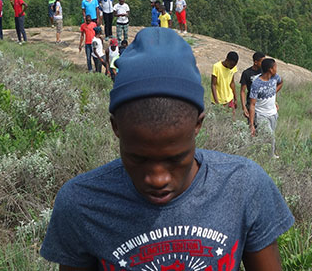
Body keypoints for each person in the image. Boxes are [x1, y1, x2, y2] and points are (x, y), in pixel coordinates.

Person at [39, 28, 293, 270]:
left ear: (198, 125)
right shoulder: (82, 203)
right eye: (138, 158)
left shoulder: (244, 186)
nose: (157, 179)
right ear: (116, 128)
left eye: (175, 159)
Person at [248, 58, 283, 158]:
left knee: (267, 137)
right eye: (275, 67)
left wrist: (273, 94)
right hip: (261, 115)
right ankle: (270, 158)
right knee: (270, 137)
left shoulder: (275, 77)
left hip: (273, 113)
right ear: (270, 69)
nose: (276, 69)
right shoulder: (256, 83)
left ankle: (260, 155)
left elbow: (281, 82)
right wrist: (251, 124)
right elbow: (252, 104)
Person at [210, 51, 239, 117]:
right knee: (218, 121)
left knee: (231, 121)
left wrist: (235, 98)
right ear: (227, 60)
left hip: (229, 99)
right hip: (218, 100)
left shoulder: (233, 68)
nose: (232, 67)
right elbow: (213, 85)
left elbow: (232, 83)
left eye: (234, 66)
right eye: (231, 65)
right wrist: (217, 102)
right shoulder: (216, 67)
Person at [239, 52, 266, 120]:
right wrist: (244, 107)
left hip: (262, 103)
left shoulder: (265, 72)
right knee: (252, 125)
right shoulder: (246, 73)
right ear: (256, 62)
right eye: (262, 61)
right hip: (251, 103)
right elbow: (242, 91)